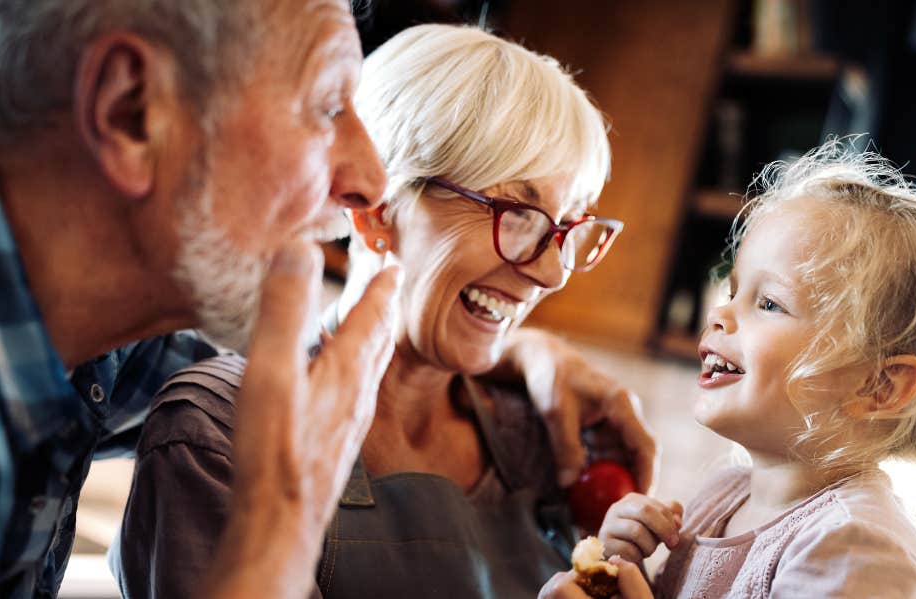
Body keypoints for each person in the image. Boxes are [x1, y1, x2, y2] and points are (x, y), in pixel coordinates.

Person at [0, 3, 654, 598]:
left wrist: (509, 341)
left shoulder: (99, 346)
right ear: (132, 110)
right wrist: (278, 538)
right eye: (326, 102)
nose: (369, 178)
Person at [112, 24, 633, 599]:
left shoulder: (535, 438)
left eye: (567, 228)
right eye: (516, 214)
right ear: (380, 212)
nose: (552, 271)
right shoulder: (220, 431)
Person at [541, 140, 916, 598]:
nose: (720, 314)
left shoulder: (859, 550)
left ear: (880, 386)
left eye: (769, 303)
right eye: (732, 291)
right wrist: (614, 571)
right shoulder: (726, 495)